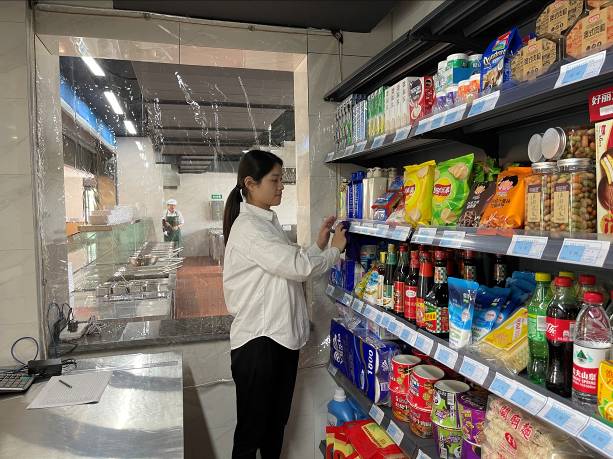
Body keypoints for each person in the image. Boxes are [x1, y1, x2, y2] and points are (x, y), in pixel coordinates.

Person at [223, 150, 347, 459]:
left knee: (274, 427)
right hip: (259, 343)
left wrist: (319, 245)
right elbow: (297, 267)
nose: (281, 187)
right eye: (275, 180)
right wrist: (333, 252)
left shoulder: (267, 222)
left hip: (278, 341)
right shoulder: (249, 227)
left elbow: (289, 263)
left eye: (282, 180)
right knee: (251, 434)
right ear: (250, 183)